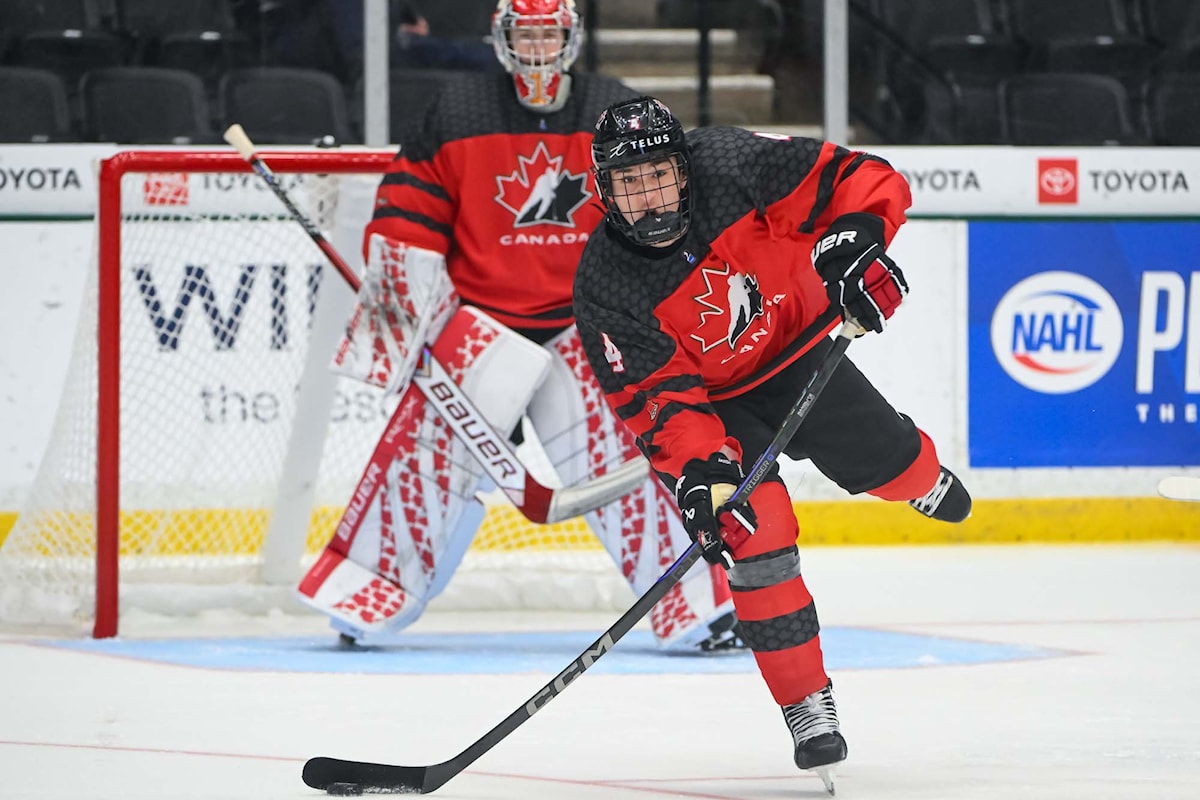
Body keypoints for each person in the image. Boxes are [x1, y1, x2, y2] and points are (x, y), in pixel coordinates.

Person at [296, 1, 743, 654]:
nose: (537, 48)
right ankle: (364, 595)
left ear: (573, 38)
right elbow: (408, 212)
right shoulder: (455, 110)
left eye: (549, 33)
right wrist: (400, 317)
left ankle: (702, 605)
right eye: (525, 33)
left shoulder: (614, 110)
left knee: (635, 455)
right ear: (503, 39)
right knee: (425, 462)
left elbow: (661, 211)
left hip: (585, 327)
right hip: (480, 325)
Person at [573, 96, 973, 792]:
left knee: (894, 464)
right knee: (754, 532)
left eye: (659, 176)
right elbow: (660, 403)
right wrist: (700, 475)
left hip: (801, 349)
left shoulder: (732, 163)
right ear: (605, 191)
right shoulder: (604, 284)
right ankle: (807, 707)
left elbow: (860, 176)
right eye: (629, 184)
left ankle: (921, 479)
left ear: (685, 169)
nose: (648, 198)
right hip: (717, 406)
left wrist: (855, 239)